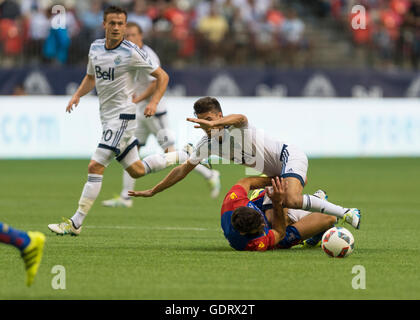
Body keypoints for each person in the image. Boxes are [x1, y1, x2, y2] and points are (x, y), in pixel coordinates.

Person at [47, 6, 186, 236]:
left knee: (95, 165)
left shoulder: (131, 51)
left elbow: (162, 76)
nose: (116, 28)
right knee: (137, 170)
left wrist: (153, 102)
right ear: (104, 25)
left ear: (125, 25)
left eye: (121, 24)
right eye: (112, 23)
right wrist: (77, 95)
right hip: (107, 117)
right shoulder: (95, 48)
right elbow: (91, 77)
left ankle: (75, 223)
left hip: (123, 118)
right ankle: (183, 155)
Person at [128, 96, 361, 229]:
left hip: (289, 158)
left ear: (219, 116)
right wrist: (154, 190)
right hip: (275, 176)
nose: (205, 125)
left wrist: (215, 125)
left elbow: (241, 117)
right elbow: (182, 170)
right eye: (201, 122)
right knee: (276, 222)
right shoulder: (206, 144)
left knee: (290, 199)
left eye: (209, 120)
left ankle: (347, 212)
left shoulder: (236, 126)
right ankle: (318, 202)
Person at [101, 22, 221, 208]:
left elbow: (155, 83)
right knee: (132, 153)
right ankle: (126, 197)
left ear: (141, 36)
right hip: (141, 112)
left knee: (171, 154)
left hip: (155, 112)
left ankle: (210, 174)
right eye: (128, 35)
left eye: (133, 35)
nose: (130, 38)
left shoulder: (148, 56)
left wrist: (138, 99)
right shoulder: (130, 54)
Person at [220, 176, 337, 251]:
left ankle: (309, 207)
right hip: (279, 234)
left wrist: (281, 179)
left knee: (286, 181)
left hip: (261, 207)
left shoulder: (233, 201)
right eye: (260, 227)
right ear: (243, 233)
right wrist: (278, 203)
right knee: (330, 218)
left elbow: (247, 181)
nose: (262, 225)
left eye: (261, 220)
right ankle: (313, 215)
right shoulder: (256, 242)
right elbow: (279, 232)